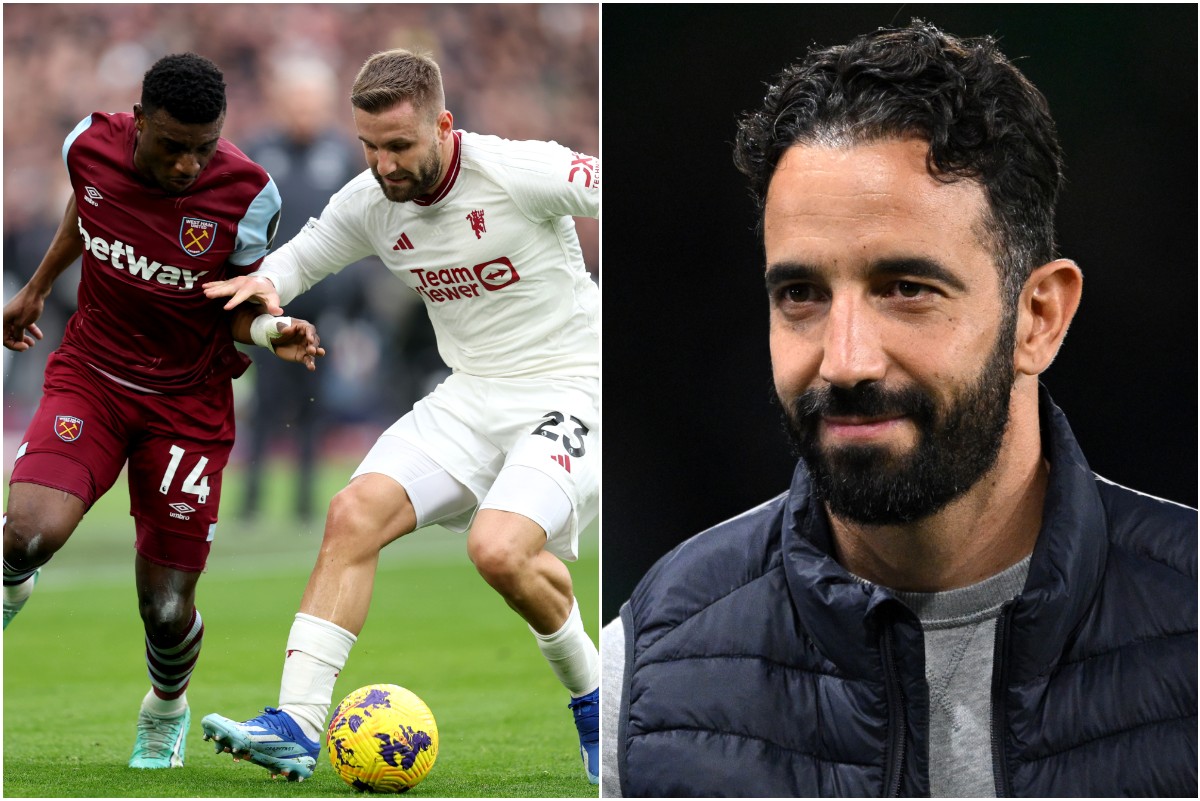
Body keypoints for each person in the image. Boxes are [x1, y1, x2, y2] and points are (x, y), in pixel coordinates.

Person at [602, 20, 1197, 798]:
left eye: (907, 289)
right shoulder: (644, 675)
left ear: (1040, 316)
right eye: (802, 295)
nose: (845, 359)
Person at [198, 48, 601, 785]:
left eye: (399, 145)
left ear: (444, 125)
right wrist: (261, 285)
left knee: (499, 550)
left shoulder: (520, 170)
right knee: (352, 511)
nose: (382, 164)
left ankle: (597, 701)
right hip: (470, 394)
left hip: (570, 386)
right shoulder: (371, 201)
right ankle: (295, 724)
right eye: (369, 146)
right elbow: (306, 257)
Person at [2, 52, 324, 770]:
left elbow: (236, 311)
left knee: (167, 609)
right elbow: (87, 211)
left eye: (202, 148)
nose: (186, 165)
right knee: (26, 535)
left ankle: (165, 708)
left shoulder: (248, 196)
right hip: (92, 374)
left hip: (188, 404)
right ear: (138, 121)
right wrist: (36, 288)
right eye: (172, 145)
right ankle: (14, 578)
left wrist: (276, 331)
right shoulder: (86, 143)